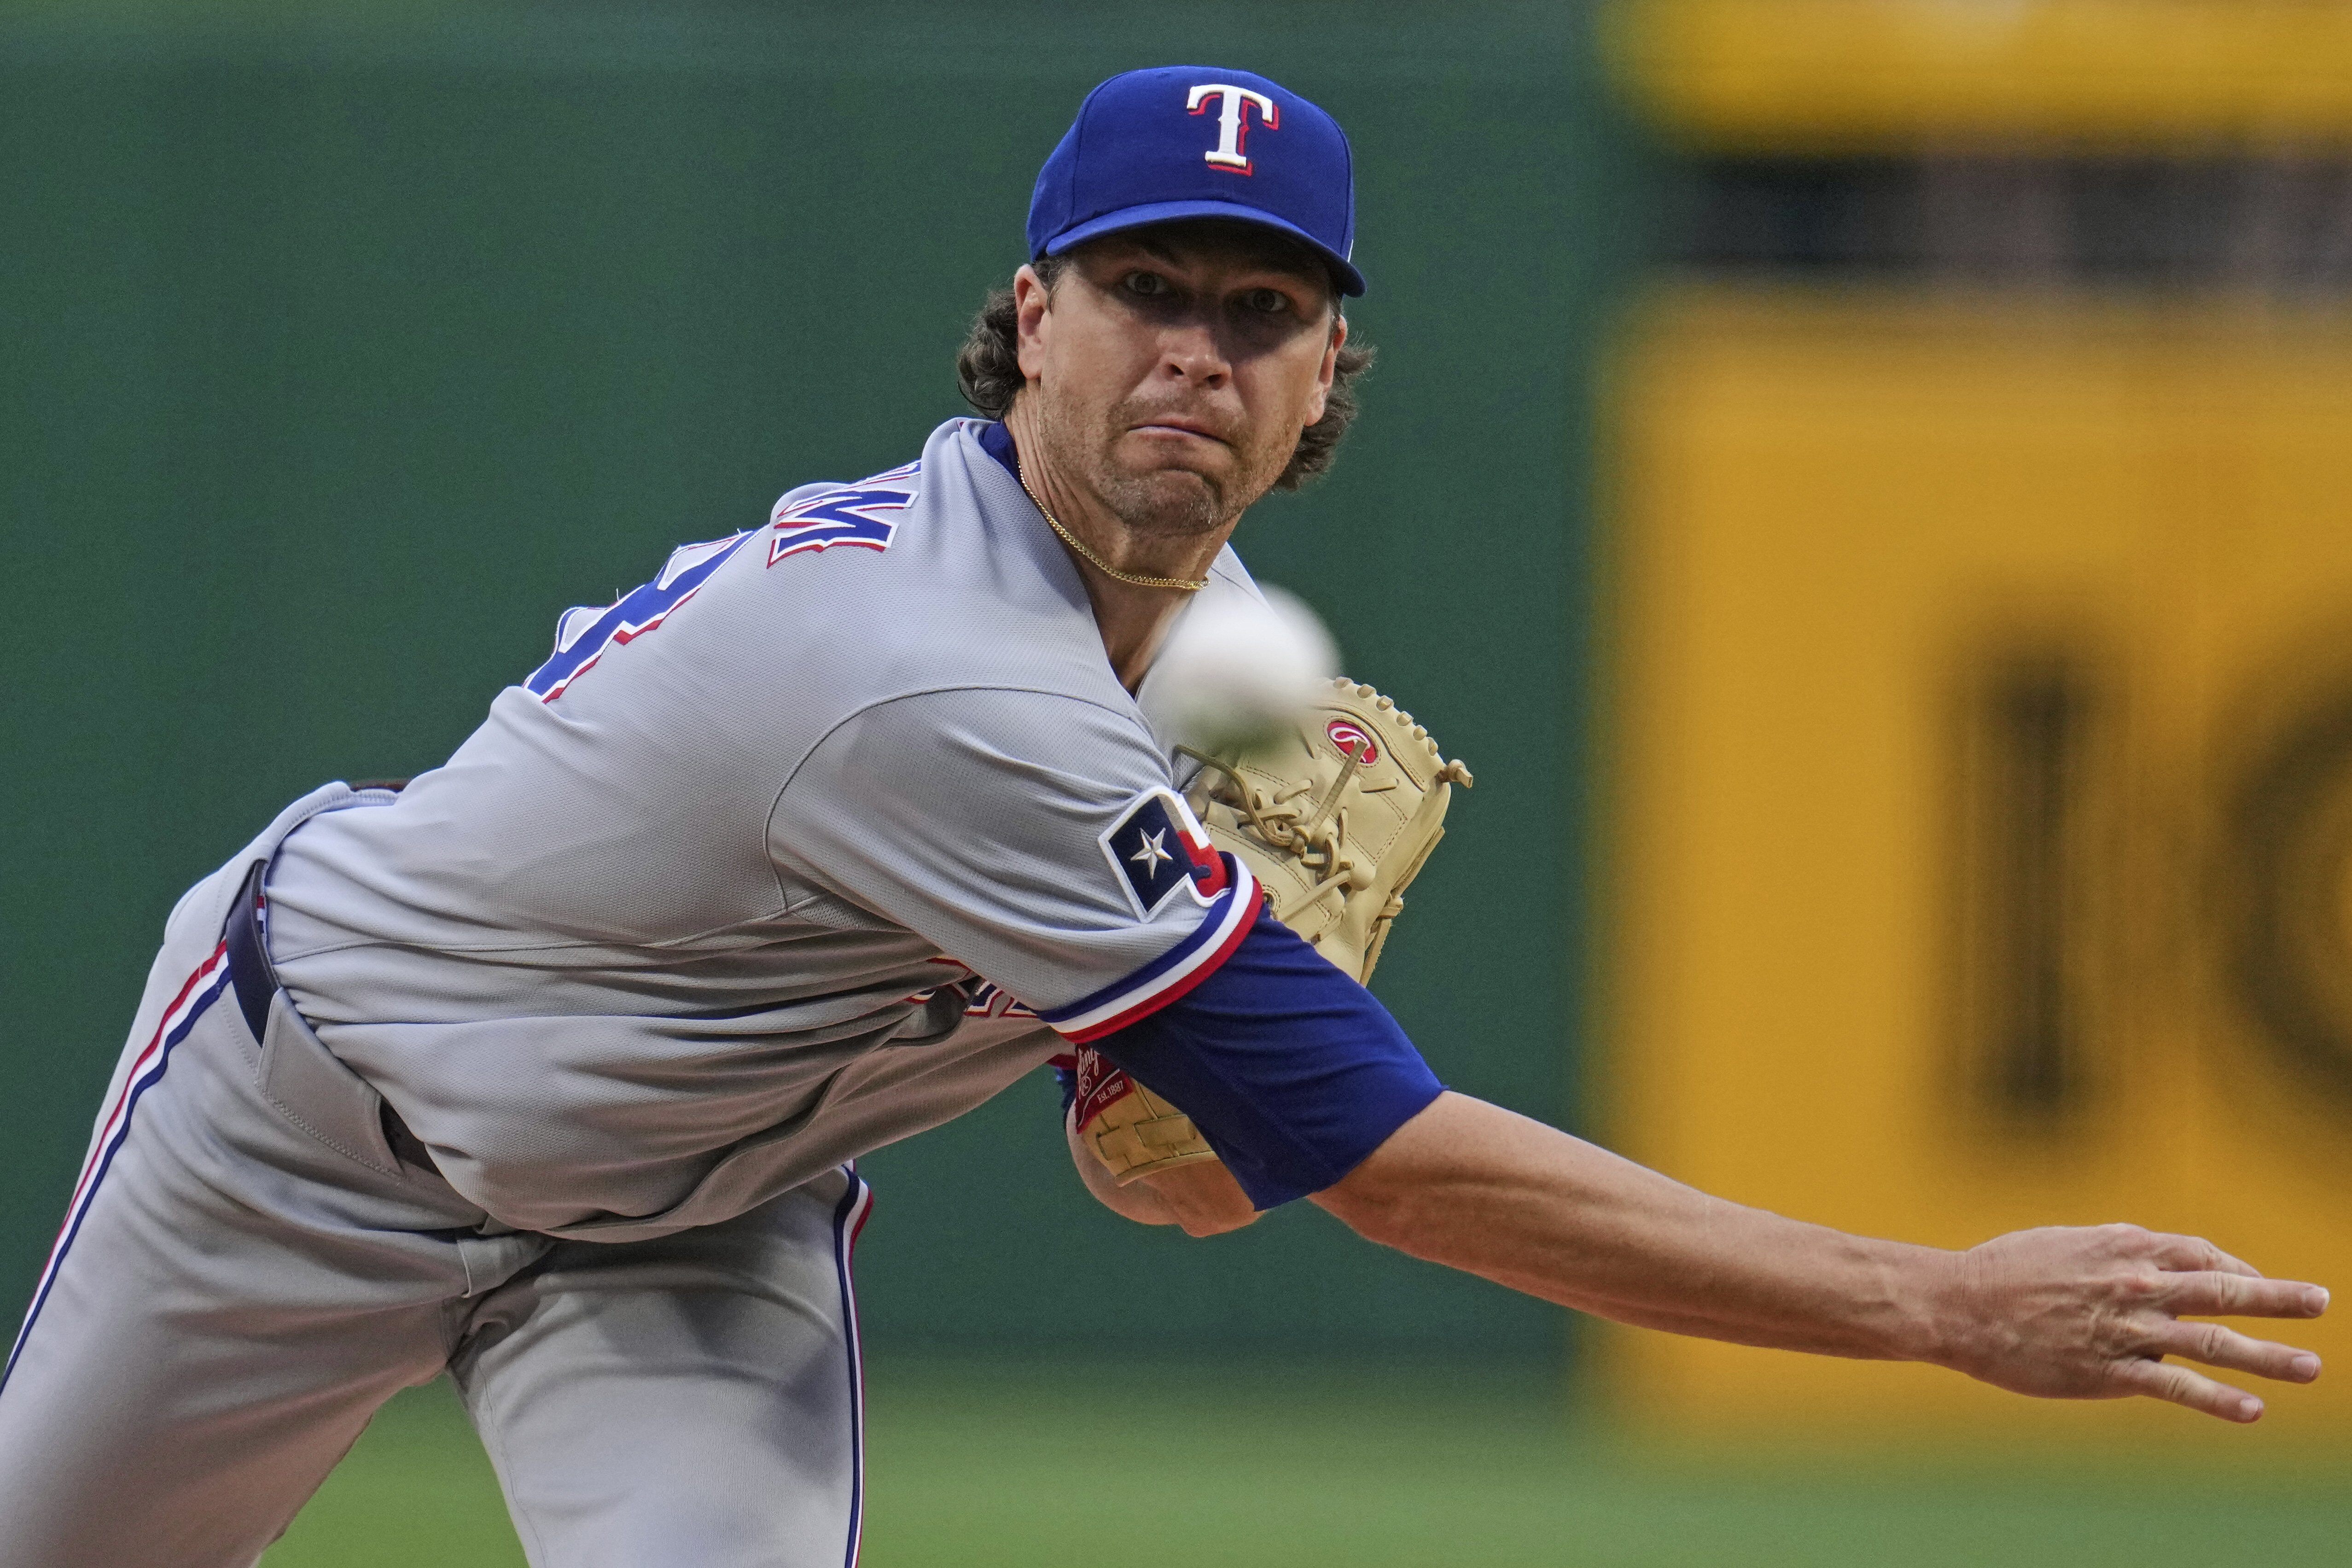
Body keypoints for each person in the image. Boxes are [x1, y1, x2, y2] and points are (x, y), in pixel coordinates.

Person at [0, 64, 2325, 1568]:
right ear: (1027, 319)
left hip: (686, 1229)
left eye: (1258, 307)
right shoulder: (932, 675)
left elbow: (1183, 1177)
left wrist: (1150, 1082)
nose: (1191, 352)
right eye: (1139, 291)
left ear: (1328, 385)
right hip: (308, 1133)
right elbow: (1382, 1167)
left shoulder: (1227, 694)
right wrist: (1926, 1302)